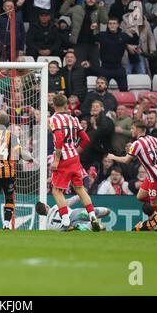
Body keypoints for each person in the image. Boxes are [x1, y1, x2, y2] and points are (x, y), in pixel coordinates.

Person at [107, 120, 157, 231]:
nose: (131, 130)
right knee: (140, 196)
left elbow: (126, 160)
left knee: (155, 205)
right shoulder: (152, 138)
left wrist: (113, 157)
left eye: (132, 128)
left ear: (137, 129)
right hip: (153, 175)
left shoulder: (137, 144)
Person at [49, 93, 100, 231]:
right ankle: (92, 217)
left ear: (54, 105)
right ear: (66, 105)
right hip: (74, 158)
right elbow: (86, 139)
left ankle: (65, 222)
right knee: (79, 189)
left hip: (63, 159)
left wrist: (57, 159)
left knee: (56, 190)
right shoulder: (73, 119)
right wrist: (75, 151)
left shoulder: (54, 119)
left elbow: (59, 138)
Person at [0, 113, 33, 230]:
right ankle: (6, 223)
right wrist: (31, 159)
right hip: (8, 173)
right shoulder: (12, 136)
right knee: (9, 198)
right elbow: (20, 154)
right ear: (8, 125)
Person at [36, 195, 111, 231]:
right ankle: (92, 217)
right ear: (46, 207)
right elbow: (73, 200)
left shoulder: (47, 226)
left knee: (101, 228)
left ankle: (86, 225)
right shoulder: (57, 205)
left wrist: (69, 229)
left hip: (69, 225)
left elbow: (61, 232)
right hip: (75, 213)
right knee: (107, 211)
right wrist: (80, 195)